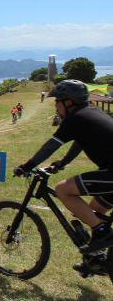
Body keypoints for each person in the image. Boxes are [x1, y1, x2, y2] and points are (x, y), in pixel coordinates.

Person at [13, 80, 113, 272]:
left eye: (57, 101)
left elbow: (51, 145)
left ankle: (103, 233)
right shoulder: (90, 112)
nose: (55, 106)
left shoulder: (75, 117)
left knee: (62, 189)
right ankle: (96, 261)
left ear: (68, 102)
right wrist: (63, 163)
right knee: (91, 212)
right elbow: (81, 141)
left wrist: (27, 166)